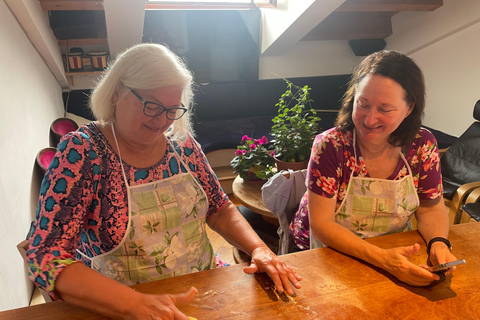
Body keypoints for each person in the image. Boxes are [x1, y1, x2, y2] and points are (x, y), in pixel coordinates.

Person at [26, 43, 301, 319]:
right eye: (152, 106)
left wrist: (259, 249)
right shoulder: (83, 153)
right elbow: (45, 258)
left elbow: (219, 208)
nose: (162, 121)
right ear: (118, 91)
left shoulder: (182, 146)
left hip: (205, 290)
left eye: (172, 110)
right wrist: (134, 304)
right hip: (122, 304)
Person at [289, 50, 457, 287]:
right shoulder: (331, 146)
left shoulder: (422, 144)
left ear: (409, 109)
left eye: (385, 109)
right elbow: (322, 224)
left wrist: (439, 243)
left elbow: (430, 208)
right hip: (329, 250)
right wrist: (383, 259)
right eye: (363, 104)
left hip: (394, 249)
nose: (369, 120)